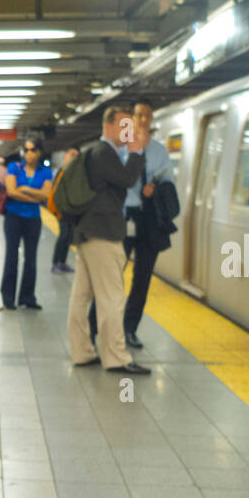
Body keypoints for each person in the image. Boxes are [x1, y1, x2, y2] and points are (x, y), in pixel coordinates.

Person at [87, 100, 176, 348]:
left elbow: (169, 181)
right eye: (139, 115)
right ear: (132, 119)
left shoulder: (160, 150)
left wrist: (155, 188)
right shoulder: (121, 148)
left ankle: (129, 329)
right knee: (112, 276)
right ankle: (94, 328)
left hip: (149, 221)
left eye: (147, 115)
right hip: (123, 218)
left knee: (142, 280)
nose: (143, 119)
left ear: (151, 119)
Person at [68, 106, 150, 375]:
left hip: (90, 232)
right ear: (109, 126)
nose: (129, 133)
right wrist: (137, 151)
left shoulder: (95, 153)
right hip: (103, 234)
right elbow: (127, 179)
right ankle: (116, 357)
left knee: (81, 296)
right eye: (125, 126)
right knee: (112, 297)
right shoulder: (105, 153)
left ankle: (82, 352)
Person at [0, 137, 51, 311]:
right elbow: (11, 192)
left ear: (39, 152)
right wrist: (33, 195)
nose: (29, 154)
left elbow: (46, 195)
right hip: (13, 218)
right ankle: (8, 297)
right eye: (26, 150)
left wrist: (24, 189)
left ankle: (27, 297)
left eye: (32, 150)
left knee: (31, 259)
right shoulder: (14, 167)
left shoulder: (45, 171)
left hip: (33, 219)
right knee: (11, 256)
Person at [49, 146, 80, 274]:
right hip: (62, 210)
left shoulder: (75, 172)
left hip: (71, 210)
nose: (74, 158)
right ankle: (55, 263)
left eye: (76, 155)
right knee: (63, 235)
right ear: (65, 154)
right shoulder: (62, 171)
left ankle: (62, 262)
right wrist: (56, 210)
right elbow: (54, 193)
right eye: (72, 154)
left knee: (68, 236)